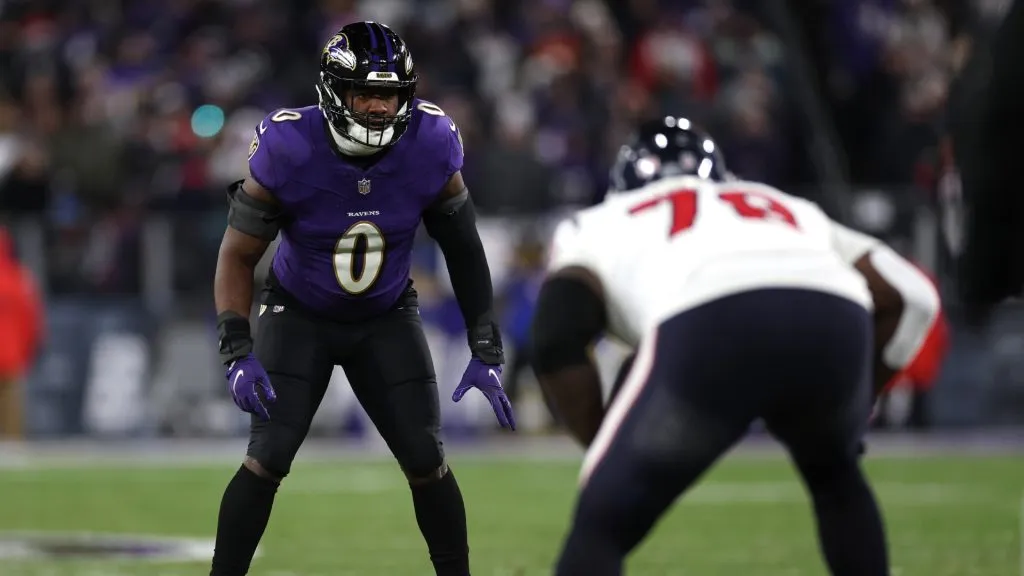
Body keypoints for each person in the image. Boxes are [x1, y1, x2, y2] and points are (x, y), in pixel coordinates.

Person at [530, 117, 941, 576]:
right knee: (836, 477)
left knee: (602, 523)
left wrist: (599, 440)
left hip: (709, 324)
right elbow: (913, 296)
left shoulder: (600, 221)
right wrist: (858, 398)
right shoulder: (780, 204)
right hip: (833, 317)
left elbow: (555, 336)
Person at [209, 21, 515, 576]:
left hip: (385, 314)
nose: (377, 107)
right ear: (333, 91)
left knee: (427, 460)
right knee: (267, 457)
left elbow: (463, 246)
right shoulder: (289, 145)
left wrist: (485, 341)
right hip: (298, 312)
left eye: (389, 95)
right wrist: (236, 347)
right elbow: (237, 255)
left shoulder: (431, 141)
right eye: (365, 93)